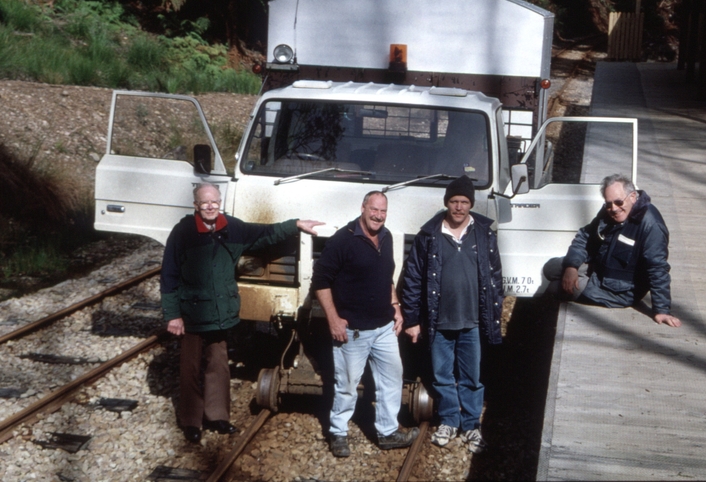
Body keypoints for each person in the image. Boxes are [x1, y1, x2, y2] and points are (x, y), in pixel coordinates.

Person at [161, 183, 323, 443]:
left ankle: (218, 417)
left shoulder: (231, 227)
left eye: (215, 201)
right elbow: (168, 274)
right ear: (196, 206)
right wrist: (172, 315)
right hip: (191, 312)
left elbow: (264, 234)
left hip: (220, 312)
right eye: (205, 203)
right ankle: (191, 421)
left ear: (220, 201)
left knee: (219, 365)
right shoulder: (183, 232)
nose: (211, 206)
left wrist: (294, 225)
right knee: (189, 367)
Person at [311, 191, 419, 458]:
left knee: (393, 378)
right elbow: (320, 282)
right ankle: (338, 432)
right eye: (374, 210)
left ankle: (387, 432)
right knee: (346, 385)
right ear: (363, 208)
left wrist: (395, 305)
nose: (378, 216)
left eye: (383, 212)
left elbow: (387, 278)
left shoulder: (387, 236)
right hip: (353, 331)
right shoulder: (342, 240)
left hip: (384, 328)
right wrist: (333, 319)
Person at [402, 175, 503, 454]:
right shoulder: (429, 235)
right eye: (454, 201)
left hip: (472, 321)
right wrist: (411, 320)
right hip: (439, 321)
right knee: (442, 376)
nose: (459, 207)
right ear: (446, 203)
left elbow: (495, 277)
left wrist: (494, 314)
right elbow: (412, 278)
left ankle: (471, 426)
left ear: (471, 204)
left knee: (472, 377)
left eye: (464, 202)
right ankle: (449, 420)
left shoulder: (484, 233)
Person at [543, 174, 682, 327]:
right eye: (608, 204)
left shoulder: (651, 226)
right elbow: (585, 236)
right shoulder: (609, 211)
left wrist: (662, 309)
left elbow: (657, 268)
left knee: (554, 287)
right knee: (550, 268)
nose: (613, 209)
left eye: (618, 202)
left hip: (619, 290)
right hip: (600, 268)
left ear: (633, 197)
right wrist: (572, 266)